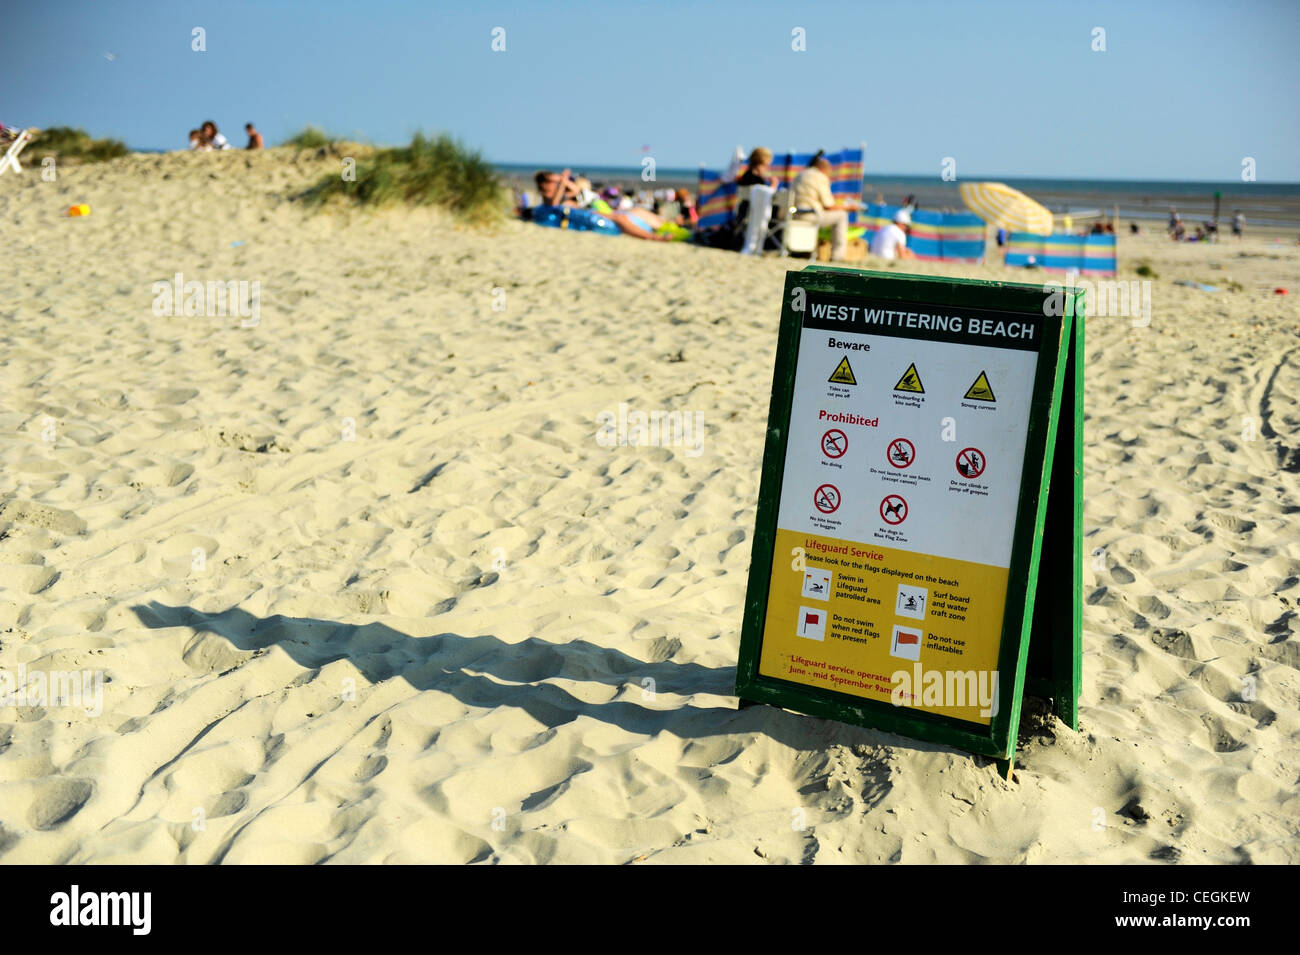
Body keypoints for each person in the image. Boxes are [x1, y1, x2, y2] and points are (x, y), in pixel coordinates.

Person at [791, 150, 852, 261]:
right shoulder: (820, 177)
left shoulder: (800, 175)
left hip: (793, 214)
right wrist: (850, 208)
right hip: (810, 214)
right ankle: (837, 256)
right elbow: (828, 205)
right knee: (842, 215)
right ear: (824, 169)